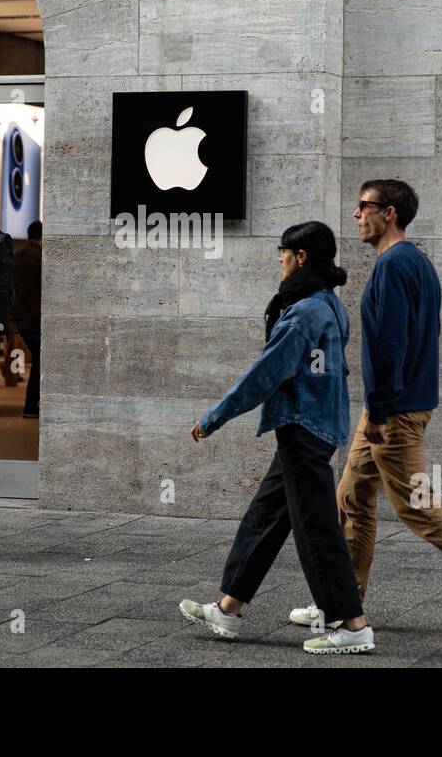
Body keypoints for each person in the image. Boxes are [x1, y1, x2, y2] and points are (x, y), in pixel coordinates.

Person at [289, 179, 442, 644]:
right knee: (351, 499)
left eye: (364, 206)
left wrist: (379, 411)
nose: (357, 215)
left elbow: (391, 343)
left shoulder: (393, 266)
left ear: (390, 213)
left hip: (392, 412)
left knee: (419, 509)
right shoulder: (415, 262)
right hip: (392, 406)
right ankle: (342, 602)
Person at [179, 222, 375, 655]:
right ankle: (229, 607)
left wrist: (214, 416)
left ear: (301, 257)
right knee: (265, 517)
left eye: (282, 253)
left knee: (316, 530)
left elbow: (267, 372)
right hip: (311, 428)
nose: (280, 260)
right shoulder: (327, 302)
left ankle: (352, 624)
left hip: (305, 429)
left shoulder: (306, 312)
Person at [11, 220, 42, 418]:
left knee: (39, 359)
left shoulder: (16, 257)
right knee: (41, 361)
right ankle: (31, 406)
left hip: (18, 317)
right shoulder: (41, 258)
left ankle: (32, 405)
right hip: (35, 317)